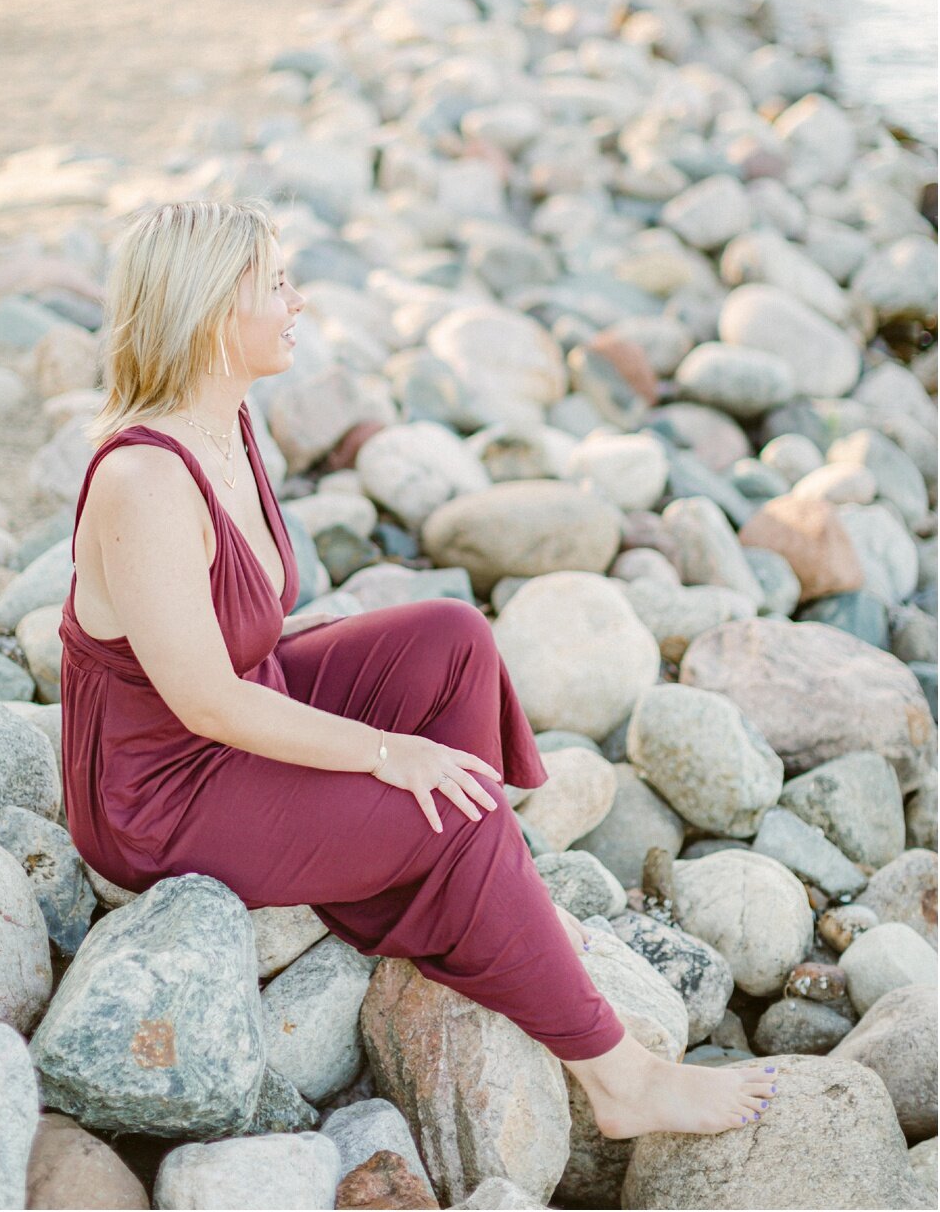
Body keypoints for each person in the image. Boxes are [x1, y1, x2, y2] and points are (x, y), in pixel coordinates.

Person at [58, 199, 780, 1138]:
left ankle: (480, 885)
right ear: (206, 313)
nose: (298, 302)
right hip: (156, 794)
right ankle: (620, 1079)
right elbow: (204, 701)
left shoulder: (227, 421)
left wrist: (385, 734)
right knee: (440, 804)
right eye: (275, 285)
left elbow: (247, 646)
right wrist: (383, 752)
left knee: (450, 636)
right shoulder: (143, 480)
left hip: (241, 708)